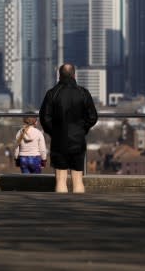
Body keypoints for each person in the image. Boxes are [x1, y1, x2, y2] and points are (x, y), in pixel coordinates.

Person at [39, 63, 99, 193]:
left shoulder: (52, 93)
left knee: (60, 178)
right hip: (78, 139)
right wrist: (83, 129)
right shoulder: (83, 93)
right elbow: (93, 117)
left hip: (59, 140)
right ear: (74, 75)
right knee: (78, 178)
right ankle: (78, 209)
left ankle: (60, 210)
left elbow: (44, 118)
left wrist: (53, 132)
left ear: (59, 75)